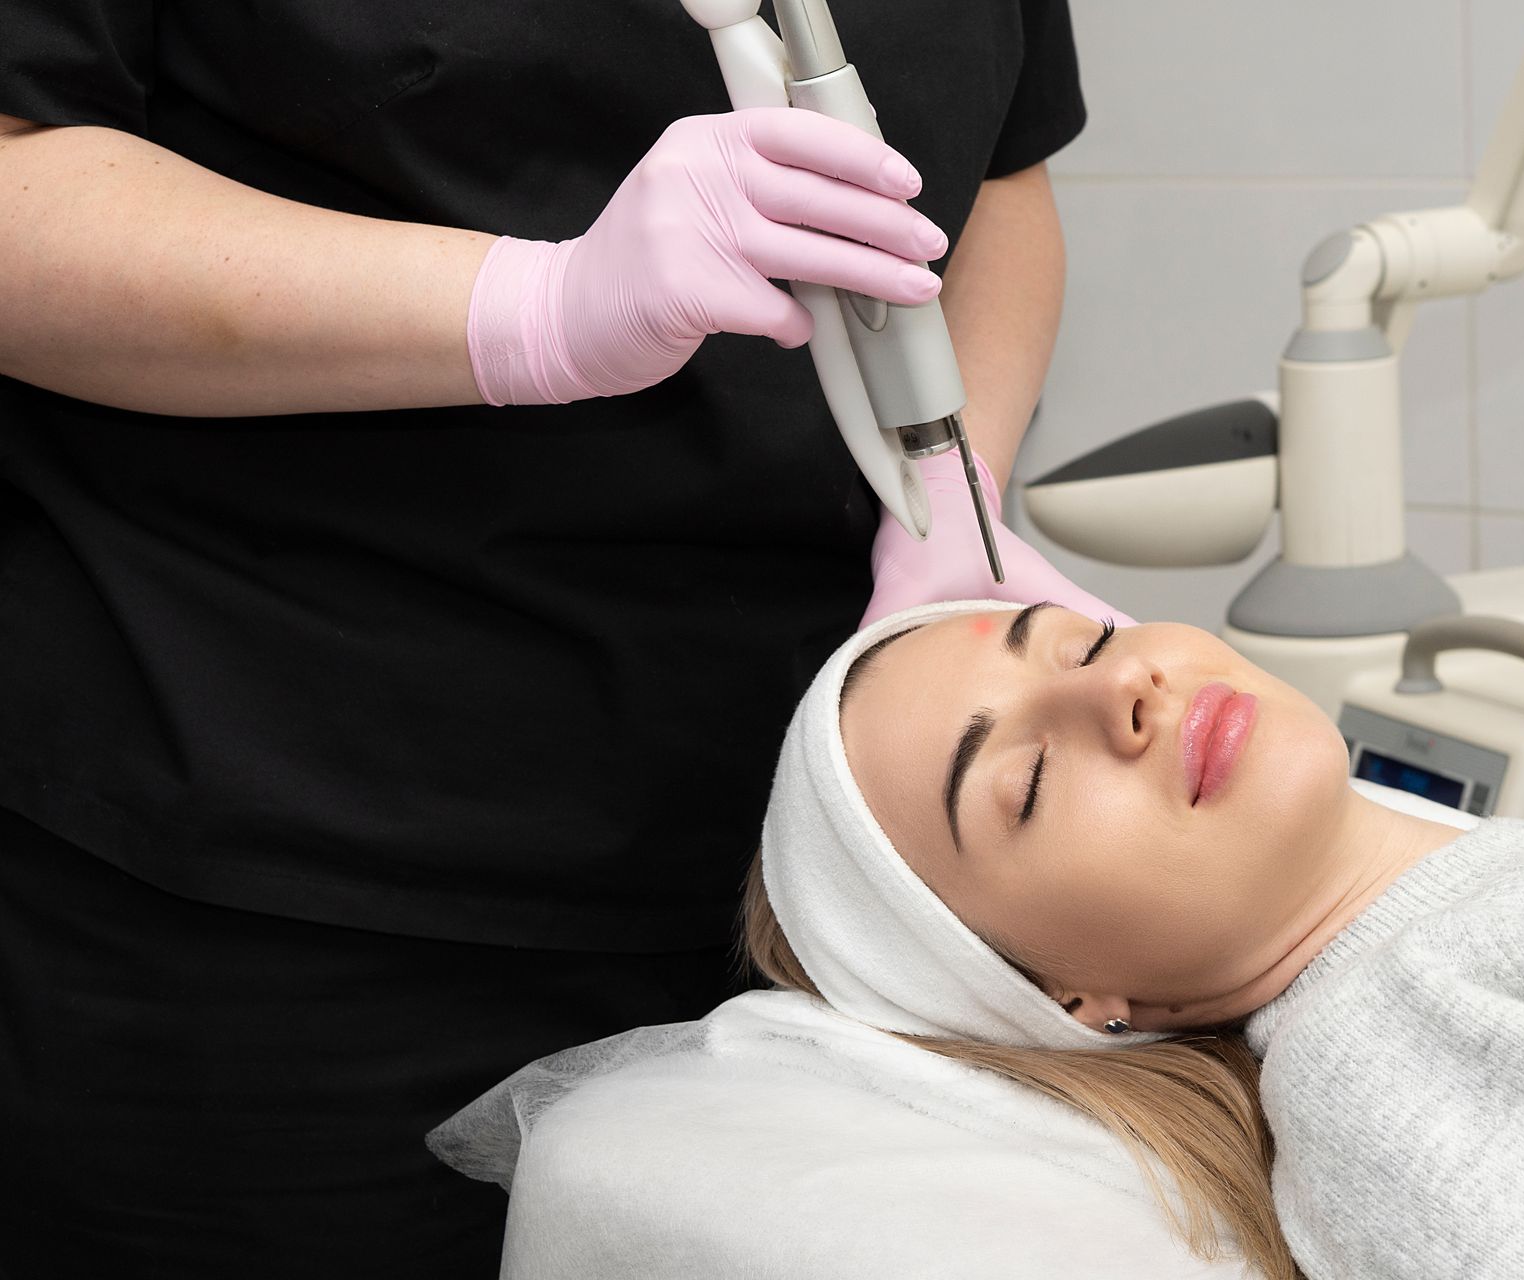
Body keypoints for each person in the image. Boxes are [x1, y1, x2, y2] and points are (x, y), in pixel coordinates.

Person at [0, 3, 1122, 1274]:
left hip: (824, 904)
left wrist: (945, 486)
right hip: (280, 885)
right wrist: (528, 308)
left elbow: (1004, 179)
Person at [743, 599, 1524, 1280]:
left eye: (1088, 641)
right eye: (1030, 779)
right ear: (1074, 995)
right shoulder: (1390, 1071)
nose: (1129, 688)